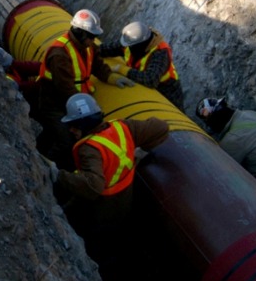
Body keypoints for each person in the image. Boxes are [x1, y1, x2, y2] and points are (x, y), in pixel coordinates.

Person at [49, 93, 168, 259]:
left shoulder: (89, 149)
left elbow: (93, 186)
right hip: (126, 199)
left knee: (97, 242)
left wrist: (59, 175)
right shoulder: (123, 127)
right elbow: (161, 127)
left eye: (74, 125)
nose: (71, 130)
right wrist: (141, 152)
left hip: (103, 209)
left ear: (83, 125)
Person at [36, 8, 134, 164]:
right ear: (80, 33)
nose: (93, 41)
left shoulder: (88, 46)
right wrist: (86, 117)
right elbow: (65, 89)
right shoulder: (60, 54)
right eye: (91, 37)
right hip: (54, 105)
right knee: (67, 141)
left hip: (75, 100)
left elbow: (97, 65)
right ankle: (46, 167)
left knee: (67, 134)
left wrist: (111, 77)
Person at [100, 20, 185, 111]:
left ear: (141, 44)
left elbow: (150, 80)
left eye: (131, 46)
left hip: (168, 93)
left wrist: (122, 69)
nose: (128, 47)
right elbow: (106, 49)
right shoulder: (131, 42)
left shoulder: (160, 53)